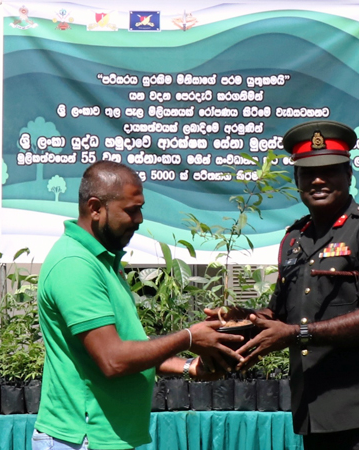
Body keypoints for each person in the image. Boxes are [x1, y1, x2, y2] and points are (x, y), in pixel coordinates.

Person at [218, 120, 359, 450]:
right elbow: (279, 315)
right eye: (308, 172)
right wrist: (240, 320)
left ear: (348, 174)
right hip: (315, 411)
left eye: (329, 170)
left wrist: (297, 334)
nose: (318, 180)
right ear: (297, 180)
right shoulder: (294, 238)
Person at [33, 160, 243, 450]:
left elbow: (131, 346)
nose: (140, 219)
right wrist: (189, 338)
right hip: (81, 438)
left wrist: (188, 366)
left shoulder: (103, 261)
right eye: (131, 210)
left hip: (103, 438)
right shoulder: (75, 264)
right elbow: (113, 360)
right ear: (95, 208)